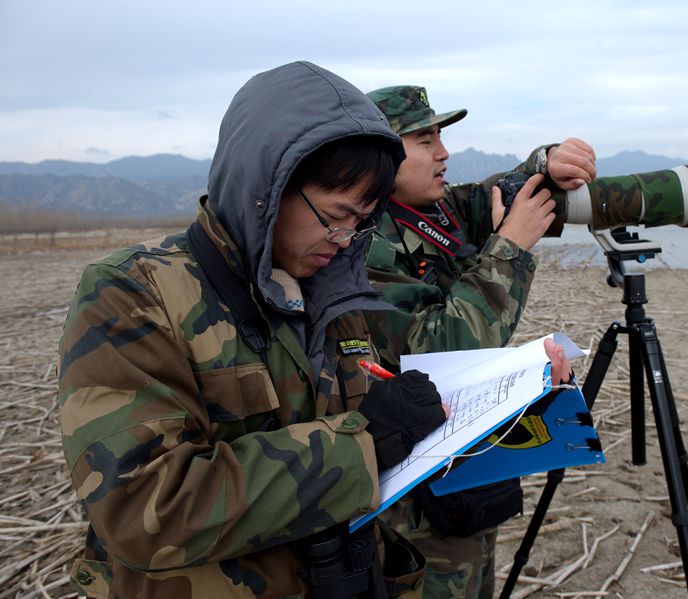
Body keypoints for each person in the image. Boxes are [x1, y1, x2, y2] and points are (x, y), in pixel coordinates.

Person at [56, 61, 457, 598]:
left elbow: (382, 399)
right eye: (335, 215)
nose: (345, 239)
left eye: (361, 222)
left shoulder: (336, 296)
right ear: (265, 187)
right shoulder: (134, 294)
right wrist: (362, 444)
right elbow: (142, 509)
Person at [363, 85, 595, 598]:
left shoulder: (439, 209)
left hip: (469, 468)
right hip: (417, 497)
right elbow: (435, 348)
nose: (443, 152)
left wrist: (545, 161)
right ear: (380, 156)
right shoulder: (363, 243)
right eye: (424, 140)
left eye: (440, 137)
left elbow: (501, 189)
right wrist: (509, 247)